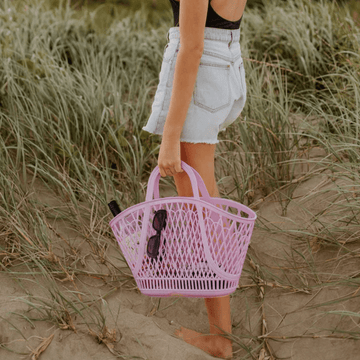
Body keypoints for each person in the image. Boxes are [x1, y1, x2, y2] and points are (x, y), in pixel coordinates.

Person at [142, 0, 248, 358]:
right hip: (227, 60)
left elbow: (193, 45)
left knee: (203, 211)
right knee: (207, 205)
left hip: (202, 69)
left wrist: (170, 137)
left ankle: (220, 340)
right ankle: (220, 332)